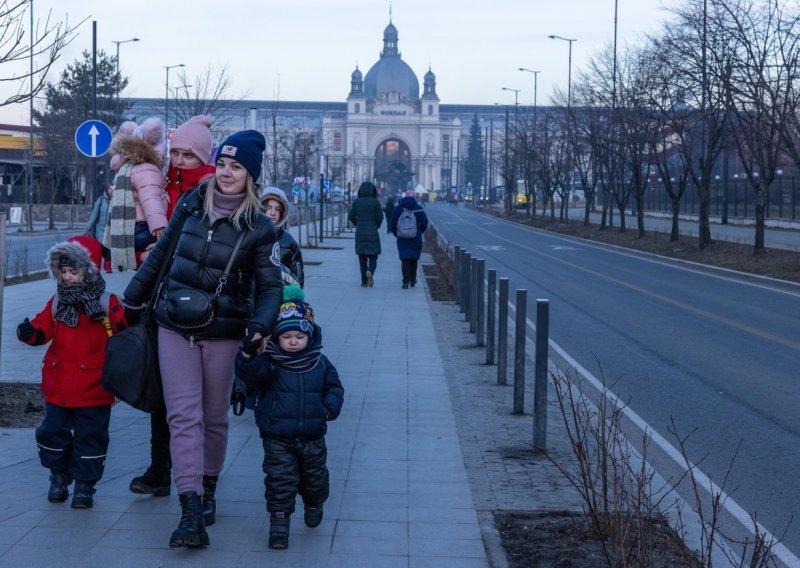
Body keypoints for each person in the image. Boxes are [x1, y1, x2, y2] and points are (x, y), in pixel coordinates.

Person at [122, 130, 284, 549]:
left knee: (213, 417)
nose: (227, 173)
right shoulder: (194, 203)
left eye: (237, 167)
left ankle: (208, 488)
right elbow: (162, 253)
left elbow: (270, 289)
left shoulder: (260, 227)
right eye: (223, 164)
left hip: (226, 332)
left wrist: (260, 327)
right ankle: (190, 509)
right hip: (174, 323)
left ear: (250, 175)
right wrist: (133, 298)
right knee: (183, 417)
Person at [128, 115, 216, 499]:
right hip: (160, 301)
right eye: (175, 152)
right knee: (162, 393)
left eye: (188, 154)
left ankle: (202, 476)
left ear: (204, 156)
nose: (180, 160)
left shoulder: (215, 190)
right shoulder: (161, 187)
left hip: (204, 305)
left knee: (203, 402)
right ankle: (160, 469)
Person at [16, 235, 127, 509]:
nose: (67, 278)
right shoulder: (58, 302)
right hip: (60, 385)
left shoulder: (106, 303)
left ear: (89, 271)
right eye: (63, 272)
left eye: (73, 271)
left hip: (95, 387)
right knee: (52, 432)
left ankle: (85, 487)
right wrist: (29, 333)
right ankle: (58, 475)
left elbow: (126, 334)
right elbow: (43, 328)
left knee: (91, 437)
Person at [235, 286, 344, 550]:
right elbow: (249, 375)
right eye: (286, 336)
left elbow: (334, 387)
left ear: (310, 336)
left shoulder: (320, 362)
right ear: (278, 338)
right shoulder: (270, 361)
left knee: (314, 478)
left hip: (312, 434)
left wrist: (329, 407)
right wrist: (248, 353)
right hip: (277, 436)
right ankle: (279, 526)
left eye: (299, 336)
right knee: (279, 481)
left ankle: (314, 502)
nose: (293, 341)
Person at [105, 117, 168, 270]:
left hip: (127, 226)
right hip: (144, 227)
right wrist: (159, 224)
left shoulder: (128, 167)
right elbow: (150, 197)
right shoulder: (147, 167)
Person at [260, 187, 305, 287]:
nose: (273, 213)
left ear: (282, 213)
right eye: (269, 207)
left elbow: (298, 279)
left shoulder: (289, 242)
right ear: (261, 208)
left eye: (277, 209)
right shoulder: (250, 235)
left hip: (281, 298)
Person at [347, 181, 383, 287]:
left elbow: (351, 216)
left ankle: (363, 282)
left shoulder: (357, 202)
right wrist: (376, 225)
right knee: (373, 257)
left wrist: (357, 224)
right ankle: (370, 271)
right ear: (372, 190)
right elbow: (380, 217)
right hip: (373, 233)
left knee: (362, 258)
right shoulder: (375, 202)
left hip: (360, 233)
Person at [391, 191, 429, 289]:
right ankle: (412, 280)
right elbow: (425, 223)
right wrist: (419, 232)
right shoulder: (419, 209)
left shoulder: (398, 209)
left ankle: (405, 282)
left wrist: (397, 234)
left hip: (402, 238)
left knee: (404, 260)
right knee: (413, 260)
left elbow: (393, 224)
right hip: (415, 238)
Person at [86, 185, 114, 273]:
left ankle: (108, 265)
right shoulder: (101, 200)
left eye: (113, 189)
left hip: (111, 228)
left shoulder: (117, 200)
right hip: (100, 228)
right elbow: (95, 213)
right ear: (107, 189)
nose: (111, 191)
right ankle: (101, 263)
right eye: (110, 188)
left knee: (109, 247)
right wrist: (89, 224)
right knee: (101, 246)